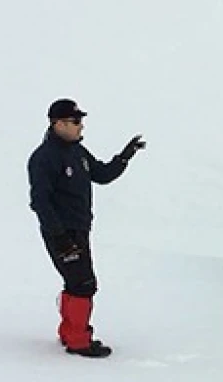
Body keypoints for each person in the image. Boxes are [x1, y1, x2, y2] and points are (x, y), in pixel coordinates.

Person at [27, 98, 145, 358]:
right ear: (57, 124)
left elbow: (102, 174)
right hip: (62, 233)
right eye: (76, 121)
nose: (81, 127)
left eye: (81, 121)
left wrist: (125, 156)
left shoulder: (77, 152)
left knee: (75, 281)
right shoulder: (44, 158)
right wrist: (59, 236)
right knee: (84, 284)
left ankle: (69, 331)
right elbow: (40, 202)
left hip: (79, 230)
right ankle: (78, 341)